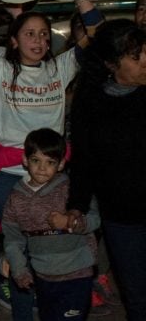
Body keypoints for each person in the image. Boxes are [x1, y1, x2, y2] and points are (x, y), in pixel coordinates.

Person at [0, 0, 102, 318]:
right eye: (28, 34)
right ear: (13, 40)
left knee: (53, 249)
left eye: (43, 34)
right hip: (10, 179)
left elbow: (97, 33)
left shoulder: (61, 67)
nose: (38, 41)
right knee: (18, 256)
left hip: (55, 178)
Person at [68, 19, 146, 320]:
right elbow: (84, 158)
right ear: (111, 64)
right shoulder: (90, 101)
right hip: (122, 217)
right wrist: (77, 204)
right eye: (135, 57)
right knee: (137, 295)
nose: (144, 63)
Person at [2, 128, 100, 320]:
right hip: (44, 276)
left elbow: (95, 219)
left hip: (77, 274)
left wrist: (69, 223)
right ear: (24, 160)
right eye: (36, 160)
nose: (41, 168)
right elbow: (13, 238)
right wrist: (19, 269)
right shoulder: (16, 198)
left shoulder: (73, 190)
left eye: (50, 162)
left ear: (62, 164)